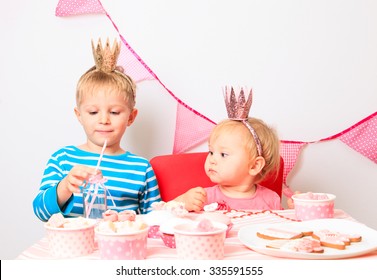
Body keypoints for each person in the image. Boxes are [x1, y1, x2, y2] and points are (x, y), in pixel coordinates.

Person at [33, 38, 161, 221]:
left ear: (131, 117)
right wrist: (65, 187)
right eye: (93, 112)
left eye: (115, 112)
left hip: (120, 248)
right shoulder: (62, 159)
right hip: (73, 249)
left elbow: (155, 222)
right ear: (79, 115)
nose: (104, 120)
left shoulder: (141, 169)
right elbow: (41, 212)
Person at [175, 86, 281, 212]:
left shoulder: (271, 200)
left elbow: (282, 229)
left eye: (223, 154)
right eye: (211, 152)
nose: (212, 160)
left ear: (254, 166)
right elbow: (158, 216)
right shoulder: (203, 198)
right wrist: (182, 202)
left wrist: (297, 213)